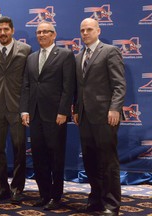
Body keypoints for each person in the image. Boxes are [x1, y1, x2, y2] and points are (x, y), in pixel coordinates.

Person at [20, 21, 76, 211]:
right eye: (39, 32)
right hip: (35, 115)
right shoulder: (31, 57)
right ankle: (43, 195)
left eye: (46, 32)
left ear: (54, 34)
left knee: (56, 157)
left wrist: (63, 111)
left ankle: (56, 196)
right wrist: (25, 110)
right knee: (38, 157)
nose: (42, 35)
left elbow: (69, 87)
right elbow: (26, 85)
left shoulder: (65, 55)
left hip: (55, 116)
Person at [73, 18, 126, 216]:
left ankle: (111, 204)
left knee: (108, 161)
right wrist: (77, 110)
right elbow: (79, 88)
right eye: (82, 30)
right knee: (90, 160)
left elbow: (119, 84)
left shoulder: (110, 51)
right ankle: (95, 199)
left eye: (89, 29)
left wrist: (114, 108)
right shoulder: (79, 56)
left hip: (105, 115)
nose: (85, 33)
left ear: (98, 30)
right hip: (85, 116)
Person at [0, 16, 31, 204]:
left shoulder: (25, 50)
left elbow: (28, 80)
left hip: (18, 107)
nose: (2, 33)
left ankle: (18, 188)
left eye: (6, 29)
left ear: (12, 30)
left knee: (19, 149)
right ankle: (2, 187)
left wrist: (25, 107)